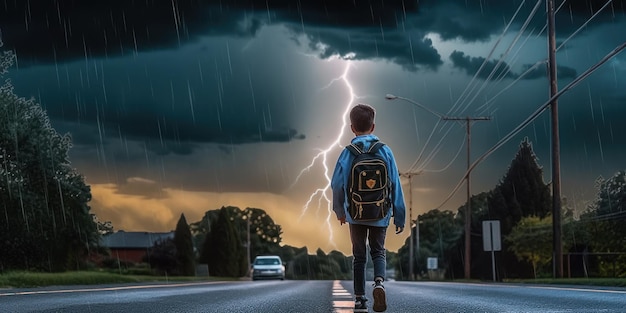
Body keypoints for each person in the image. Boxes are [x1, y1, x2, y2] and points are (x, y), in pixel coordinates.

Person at [331, 103, 406, 312]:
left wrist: (340, 211)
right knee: (378, 251)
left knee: (359, 256)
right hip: (380, 213)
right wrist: (399, 215)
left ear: (351, 127)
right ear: (373, 127)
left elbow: (337, 185)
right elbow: (395, 185)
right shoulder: (385, 151)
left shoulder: (347, 153)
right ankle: (380, 283)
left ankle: (359, 297)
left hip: (355, 213)